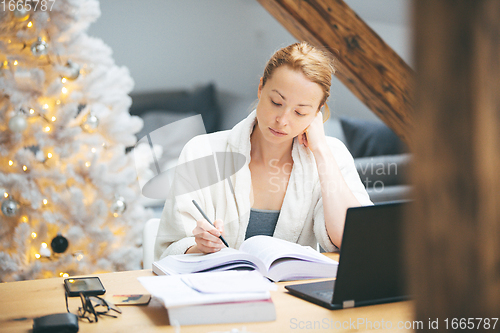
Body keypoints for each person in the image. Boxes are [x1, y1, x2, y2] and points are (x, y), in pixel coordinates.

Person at [154, 42, 372, 260]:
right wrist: (199, 246)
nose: (282, 120)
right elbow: (169, 248)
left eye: (300, 112)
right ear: (261, 88)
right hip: (218, 290)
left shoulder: (331, 155)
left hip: (288, 293)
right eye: (276, 102)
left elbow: (355, 239)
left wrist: (322, 153)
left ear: (316, 113)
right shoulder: (201, 151)